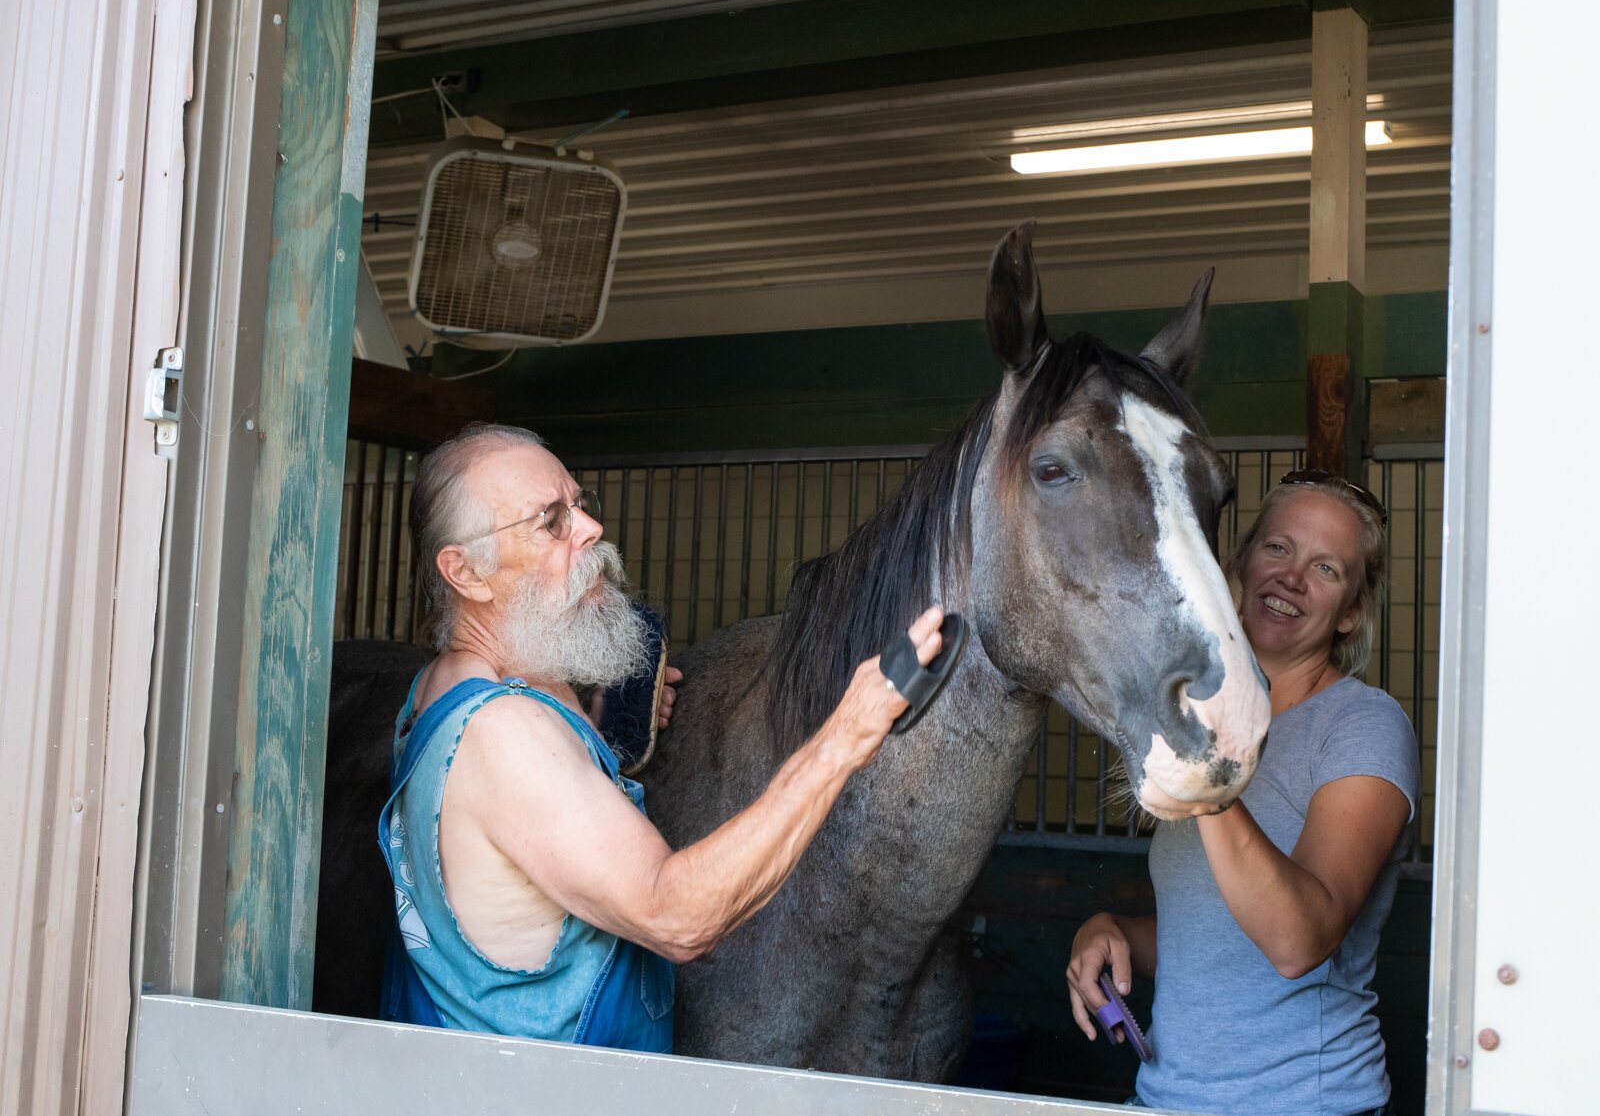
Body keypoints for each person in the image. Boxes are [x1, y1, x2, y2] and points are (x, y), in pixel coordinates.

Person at [380, 423, 945, 1054]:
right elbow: (676, 917)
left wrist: (597, 723)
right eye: (549, 522)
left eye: (579, 504)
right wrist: (845, 735)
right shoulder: (503, 734)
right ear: (466, 572)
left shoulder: (443, 686)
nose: (589, 529)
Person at [1066, 469, 1420, 1116]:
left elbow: (1297, 942)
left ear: (1352, 615)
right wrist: (1110, 929)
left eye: (1326, 568)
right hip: (1165, 1099)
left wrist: (1205, 770)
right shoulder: (1205, 720)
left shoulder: (1364, 727)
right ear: (1239, 563)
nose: (1291, 577)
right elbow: (1207, 936)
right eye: (1278, 548)